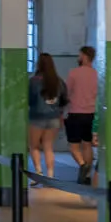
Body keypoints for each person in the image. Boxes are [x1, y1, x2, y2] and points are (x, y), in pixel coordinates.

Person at [27, 53, 68, 182]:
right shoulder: (58, 81)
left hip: (36, 117)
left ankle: (38, 173)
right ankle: (50, 175)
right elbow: (64, 99)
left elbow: (29, 99)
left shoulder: (33, 81)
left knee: (33, 146)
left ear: (38, 64)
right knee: (48, 147)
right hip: (54, 117)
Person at [65, 46, 98, 184]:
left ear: (84, 56)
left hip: (75, 113)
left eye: (79, 55)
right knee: (87, 145)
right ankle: (87, 175)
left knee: (73, 147)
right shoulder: (97, 74)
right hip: (91, 113)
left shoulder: (73, 73)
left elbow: (67, 92)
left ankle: (82, 165)